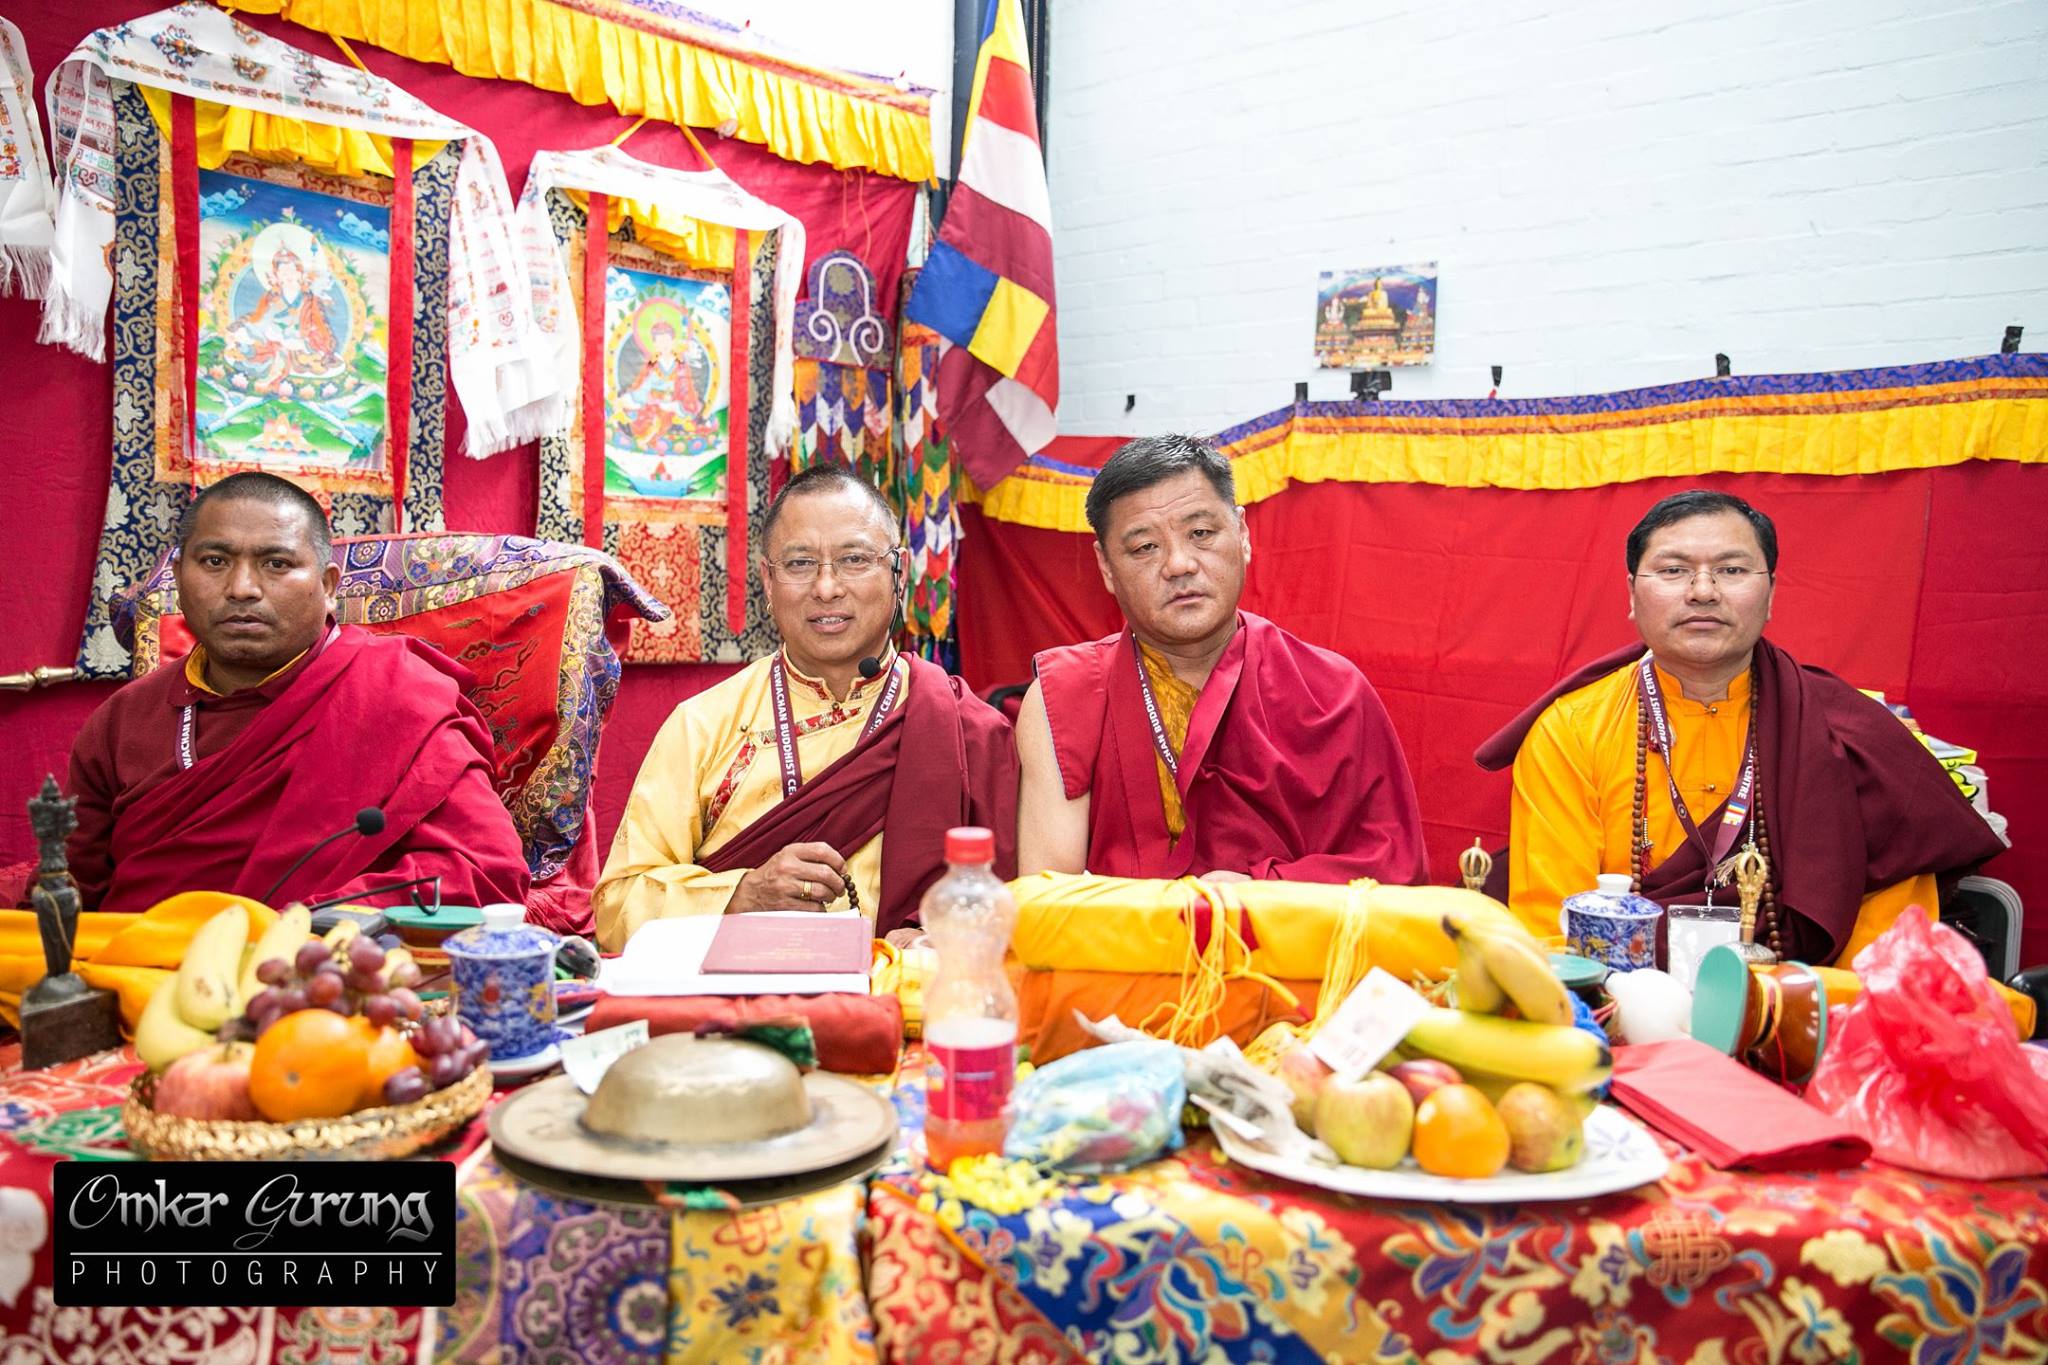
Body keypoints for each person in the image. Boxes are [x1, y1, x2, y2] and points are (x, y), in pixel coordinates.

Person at [1478, 489, 2004, 963]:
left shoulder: (1844, 732)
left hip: (1808, 1005)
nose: (1703, 591)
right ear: (1633, 595)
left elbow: (1885, 952)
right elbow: (1557, 929)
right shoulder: (1572, 729)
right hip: (1625, 1001)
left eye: (1731, 570)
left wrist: (1795, 1009)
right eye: (1673, 570)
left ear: (1771, 594)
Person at [593, 464, 1018, 952]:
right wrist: (740, 894)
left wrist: (947, 936)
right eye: (800, 563)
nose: (827, 587)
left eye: (854, 559)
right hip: (746, 992)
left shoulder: (962, 725)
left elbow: (1022, 899)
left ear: (898, 571)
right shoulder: (704, 725)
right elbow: (616, 909)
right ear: (767, 580)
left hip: (907, 991)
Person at [66, 471, 530, 912]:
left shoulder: (399, 696)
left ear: (328, 587)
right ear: (178, 577)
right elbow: (71, 886)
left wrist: (301, 924)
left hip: (321, 957)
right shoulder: (124, 719)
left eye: (276, 564)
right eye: (214, 562)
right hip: (135, 957)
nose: (242, 588)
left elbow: (483, 873)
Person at [1016, 434, 1426, 884]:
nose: (1179, 564)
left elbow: (1394, 873)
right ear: (1107, 568)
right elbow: (1048, 897)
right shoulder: (1066, 698)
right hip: (1119, 934)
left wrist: (1262, 893)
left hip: (1291, 932)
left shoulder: (1333, 693)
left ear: (1242, 535)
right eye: (1145, 547)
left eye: (1201, 534)